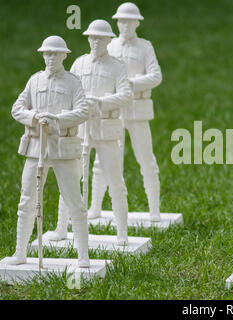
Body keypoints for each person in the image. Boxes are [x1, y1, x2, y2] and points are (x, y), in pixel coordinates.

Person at [5, 36, 90, 267]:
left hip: (63, 148)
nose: (51, 57)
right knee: (27, 201)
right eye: (47, 53)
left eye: (55, 53)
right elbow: (17, 108)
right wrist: (33, 117)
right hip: (36, 148)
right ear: (42, 55)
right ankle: (20, 253)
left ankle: (83, 256)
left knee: (75, 202)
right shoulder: (34, 81)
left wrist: (58, 119)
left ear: (64, 55)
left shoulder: (73, 82)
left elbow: (83, 111)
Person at [47, 20, 132, 246]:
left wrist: (101, 102)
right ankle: (61, 227)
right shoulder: (79, 63)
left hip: (105, 128)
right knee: (69, 178)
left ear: (108, 40)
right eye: (92, 38)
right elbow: (67, 92)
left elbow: (126, 95)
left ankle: (121, 232)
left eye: (101, 38)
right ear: (87, 39)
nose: (96, 41)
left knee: (115, 180)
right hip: (80, 129)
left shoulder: (117, 66)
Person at [88, 2, 162, 222]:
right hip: (114, 110)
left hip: (137, 109)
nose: (125, 25)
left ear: (137, 23)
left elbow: (156, 76)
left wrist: (129, 84)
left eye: (129, 21)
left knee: (146, 159)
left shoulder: (145, 47)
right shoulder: (110, 47)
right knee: (103, 160)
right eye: (121, 21)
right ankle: (95, 207)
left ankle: (154, 209)